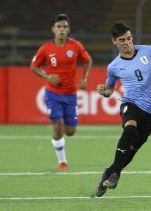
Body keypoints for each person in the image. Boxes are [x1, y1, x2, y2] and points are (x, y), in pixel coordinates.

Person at [94, 22, 151, 197]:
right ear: (114, 42)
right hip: (130, 103)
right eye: (122, 40)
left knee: (132, 149)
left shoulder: (149, 51)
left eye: (129, 39)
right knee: (130, 129)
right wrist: (104, 91)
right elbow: (109, 89)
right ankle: (115, 174)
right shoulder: (114, 66)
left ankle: (109, 172)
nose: (127, 43)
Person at [30, 14, 92, 171]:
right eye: (59, 27)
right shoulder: (45, 48)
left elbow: (87, 60)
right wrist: (47, 76)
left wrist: (84, 78)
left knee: (70, 131)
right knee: (58, 126)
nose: (62, 29)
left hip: (71, 94)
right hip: (53, 93)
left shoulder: (75, 46)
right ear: (53, 29)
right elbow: (33, 66)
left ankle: (61, 134)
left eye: (64, 27)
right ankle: (62, 162)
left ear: (68, 29)